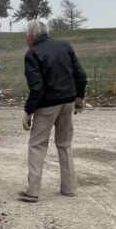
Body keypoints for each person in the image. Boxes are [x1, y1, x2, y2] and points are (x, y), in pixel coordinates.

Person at [19, 18, 86, 202]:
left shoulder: (32, 54)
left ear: (31, 36)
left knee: (37, 145)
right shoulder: (65, 46)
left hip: (47, 105)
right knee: (64, 144)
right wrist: (79, 97)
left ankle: (33, 191)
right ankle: (69, 187)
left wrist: (28, 111)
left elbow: (37, 88)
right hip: (68, 102)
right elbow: (81, 75)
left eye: (26, 35)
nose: (26, 39)